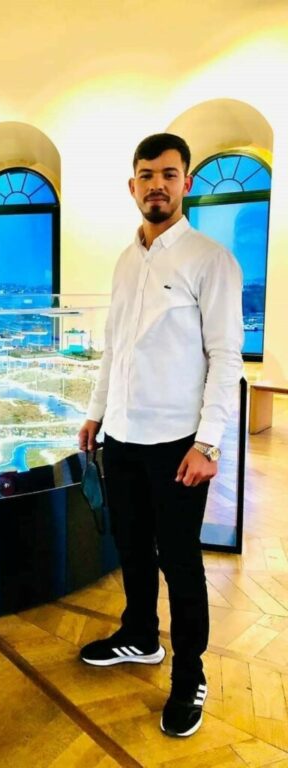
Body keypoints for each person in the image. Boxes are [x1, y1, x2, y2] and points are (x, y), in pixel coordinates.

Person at [78, 133, 244, 738]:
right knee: (130, 547)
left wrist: (208, 444)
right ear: (132, 186)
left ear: (186, 183)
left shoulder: (211, 260)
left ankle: (189, 674)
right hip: (122, 438)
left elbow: (226, 358)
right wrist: (96, 413)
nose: (157, 185)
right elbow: (114, 349)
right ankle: (141, 636)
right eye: (147, 175)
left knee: (180, 562)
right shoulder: (126, 261)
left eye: (169, 175)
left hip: (178, 446)